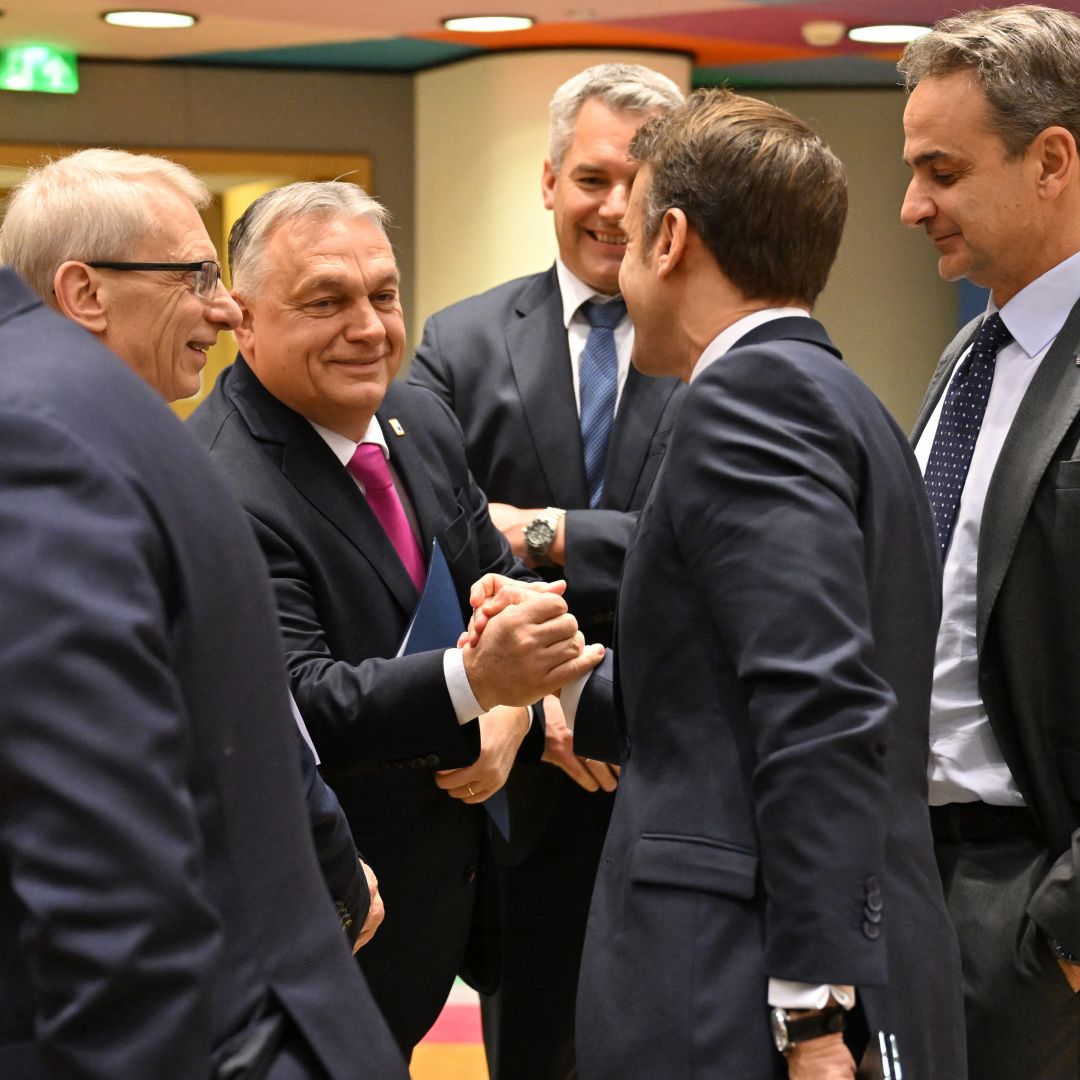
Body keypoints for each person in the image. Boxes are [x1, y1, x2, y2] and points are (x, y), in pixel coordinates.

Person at [470, 87, 967, 1078]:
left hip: (740, 990)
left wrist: (813, 1014)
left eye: (637, 216)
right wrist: (558, 675)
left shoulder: (752, 399)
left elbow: (817, 699)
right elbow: (720, 710)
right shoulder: (837, 394)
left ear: (673, 240)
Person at [0, 151, 406, 1077]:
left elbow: (107, 863)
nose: (225, 310)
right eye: (197, 279)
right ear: (85, 293)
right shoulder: (115, 431)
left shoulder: (48, 432)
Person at [187, 180, 600, 1054]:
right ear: (244, 319)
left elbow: (489, 581)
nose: (369, 327)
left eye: (383, 294)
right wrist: (478, 683)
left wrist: (516, 707)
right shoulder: (219, 482)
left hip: (453, 902)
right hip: (330, 919)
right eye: (326, 301)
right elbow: (297, 703)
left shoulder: (418, 419)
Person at [408, 61, 684, 1078]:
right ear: (548, 180)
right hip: (522, 790)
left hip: (674, 768)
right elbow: (433, 535)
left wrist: (543, 529)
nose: (616, 209)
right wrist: (545, 679)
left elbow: (708, 542)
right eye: (593, 178)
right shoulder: (461, 341)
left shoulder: (717, 345)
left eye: (643, 182)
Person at [898, 7, 1080, 1077]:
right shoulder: (973, 351)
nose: (912, 205)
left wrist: (1060, 933)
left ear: (1052, 159)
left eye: (943, 171)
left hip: (1032, 903)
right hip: (921, 882)